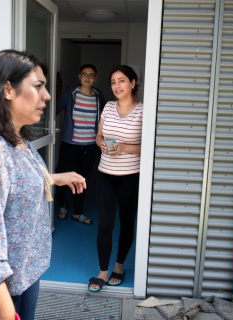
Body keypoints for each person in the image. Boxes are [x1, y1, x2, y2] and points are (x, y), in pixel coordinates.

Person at [0, 50, 87, 320]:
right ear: (8, 89)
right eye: (38, 86)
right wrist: (7, 314)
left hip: (24, 273)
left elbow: (16, 182)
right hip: (0, 291)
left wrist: (56, 178)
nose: (47, 96)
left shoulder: (15, 138)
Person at [88, 65, 143, 292]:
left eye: (121, 81)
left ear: (132, 83)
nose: (116, 86)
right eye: (113, 82)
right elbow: (99, 135)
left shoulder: (143, 111)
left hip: (130, 177)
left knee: (127, 223)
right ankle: (102, 270)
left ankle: (119, 266)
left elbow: (148, 147)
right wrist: (102, 143)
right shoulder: (108, 107)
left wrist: (124, 148)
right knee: (105, 225)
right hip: (105, 175)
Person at [55, 64, 107, 225]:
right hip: (70, 144)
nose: (87, 78)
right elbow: (53, 110)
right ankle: (62, 205)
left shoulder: (98, 96)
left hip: (90, 146)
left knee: (82, 180)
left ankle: (78, 212)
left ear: (95, 78)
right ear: (79, 76)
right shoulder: (70, 93)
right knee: (62, 177)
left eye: (91, 75)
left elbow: (107, 116)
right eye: (84, 74)